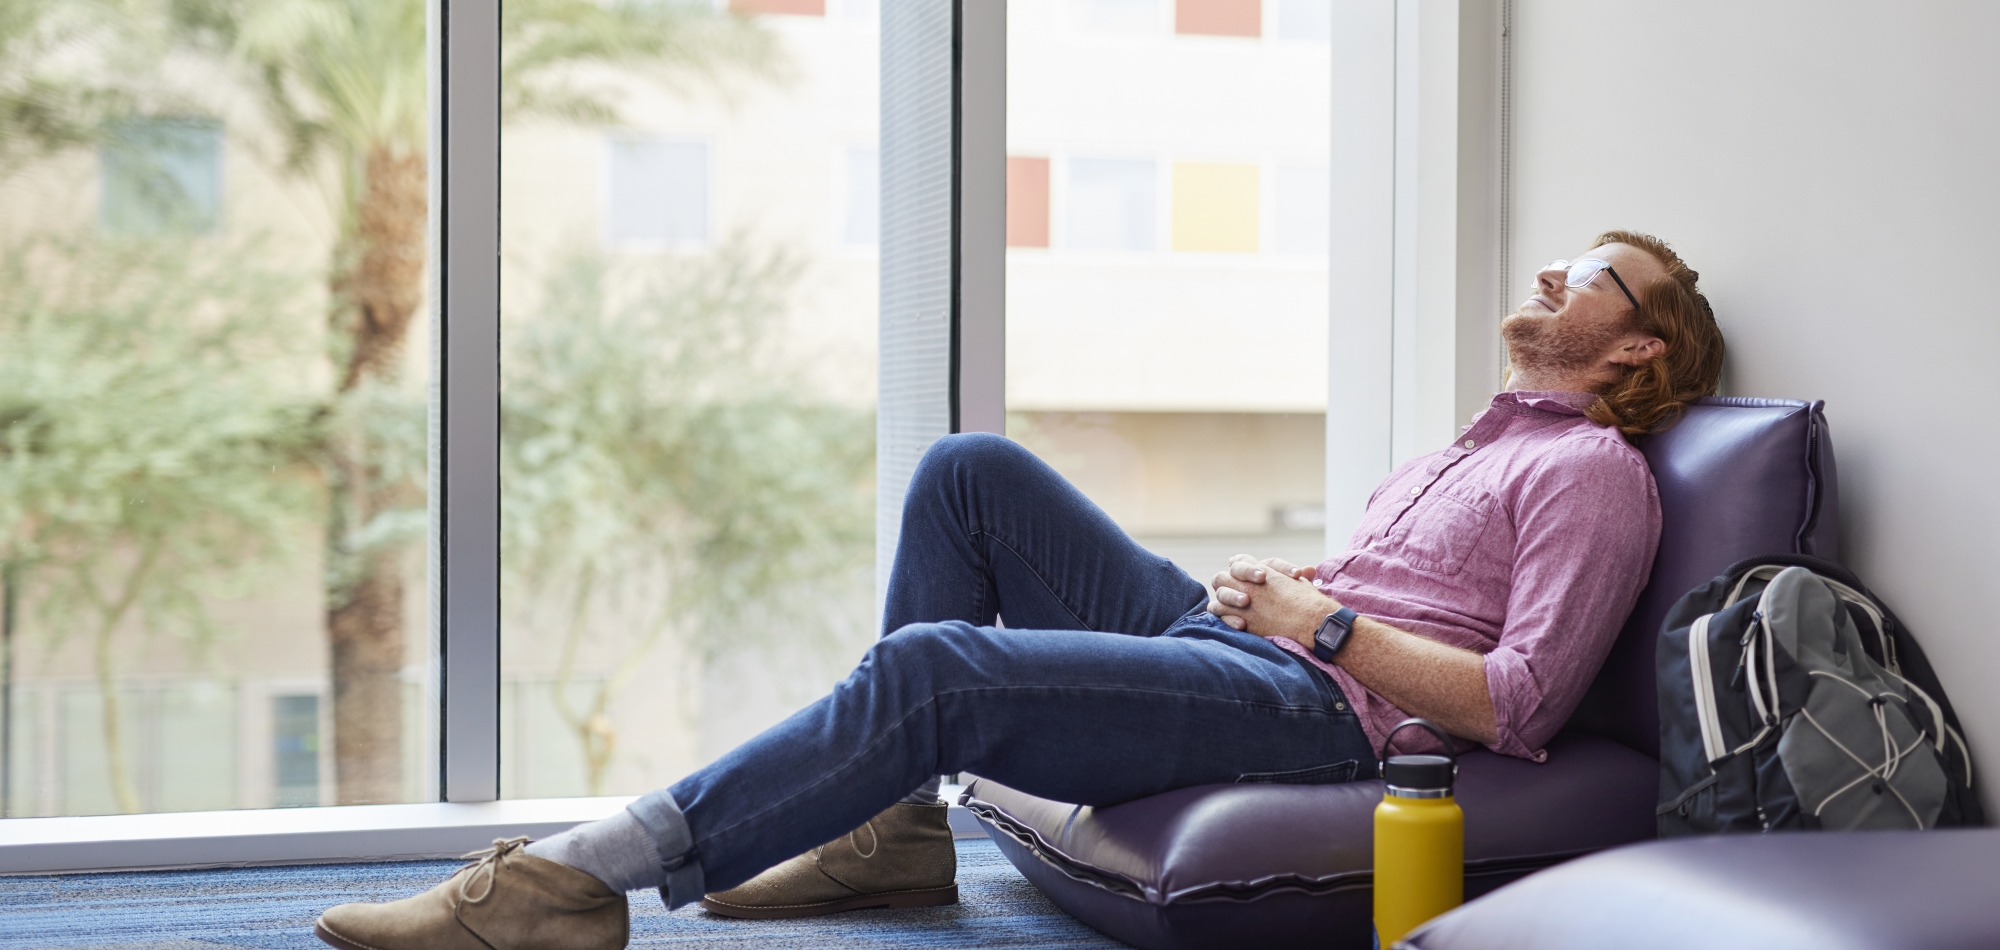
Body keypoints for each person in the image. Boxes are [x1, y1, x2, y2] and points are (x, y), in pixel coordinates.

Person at [310, 230, 1725, 950]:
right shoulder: (1483, 443)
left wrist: (1320, 622)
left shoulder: (1599, 474)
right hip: (1251, 646)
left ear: (1636, 355)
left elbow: (1524, 704)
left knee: (936, 668)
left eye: (1592, 271)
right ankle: (888, 836)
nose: (1553, 268)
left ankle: (571, 879)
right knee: (969, 470)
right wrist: (1298, 590)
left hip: (1312, 707)